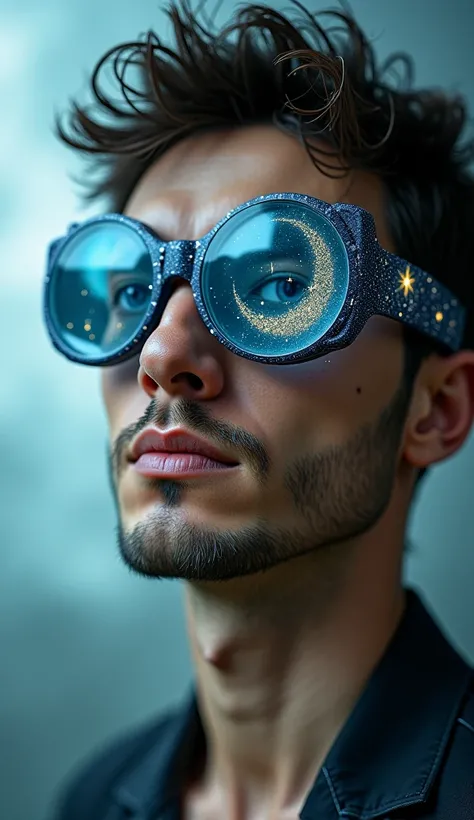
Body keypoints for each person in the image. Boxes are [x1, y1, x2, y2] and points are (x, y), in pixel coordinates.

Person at [44, 1, 474, 818]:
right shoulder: (92, 801)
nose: (164, 358)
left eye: (282, 286)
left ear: (436, 410)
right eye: (133, 289)